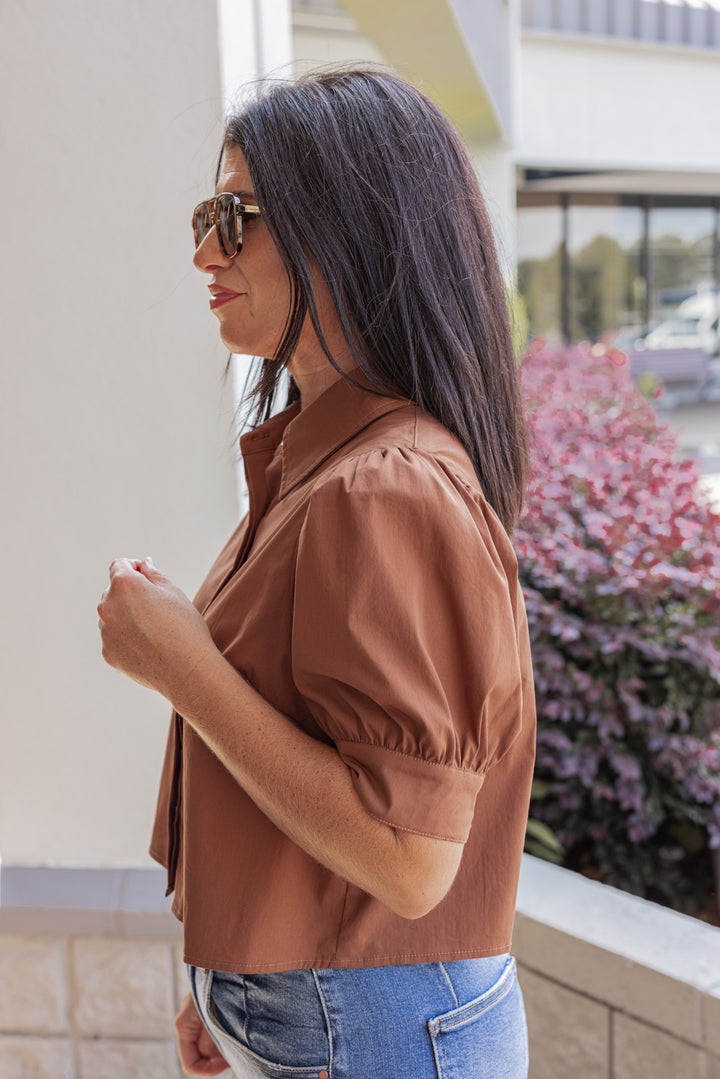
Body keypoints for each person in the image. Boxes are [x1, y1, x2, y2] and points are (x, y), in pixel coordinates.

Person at [98, 69, 536, 1079]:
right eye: (209, 212)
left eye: (239, 216)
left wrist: (181, 664)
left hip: (375, 1019)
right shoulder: (333, 460)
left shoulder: (385, 486)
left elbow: (406, 855)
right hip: (340, 1007)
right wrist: (233, 969)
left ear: (349, 231)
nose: (205, 249)